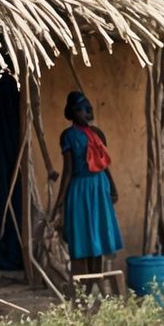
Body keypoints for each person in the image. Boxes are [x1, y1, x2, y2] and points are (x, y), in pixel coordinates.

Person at [54, 89, 123, 291]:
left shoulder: (97, 134)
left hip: (100, 187)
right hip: (80, 189)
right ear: (73, 112)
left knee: (97, 239)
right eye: (83, 110)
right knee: (81, 239)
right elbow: (67, 172)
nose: (88, 113)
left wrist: (112, 186)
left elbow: (104, 164)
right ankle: (82, 289)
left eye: (89, 109)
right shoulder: (68, 136)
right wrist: (59, 203)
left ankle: (95, 286)